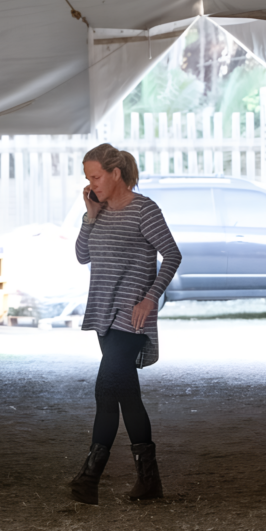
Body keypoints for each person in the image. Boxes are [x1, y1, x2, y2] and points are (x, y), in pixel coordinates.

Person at [69, 143, 181, 505]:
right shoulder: (97, 211)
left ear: (116, 174)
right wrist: (89, 215)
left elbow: (173, 254)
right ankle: (149, 483)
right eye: (88, 178)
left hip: (132, 315)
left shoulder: (144, 210)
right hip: (103, 312)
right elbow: (82, 256)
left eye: (96, 176)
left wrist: (151, 297)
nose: (92, 183)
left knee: (105, 389)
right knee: (126, 396)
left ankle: (89, 478)